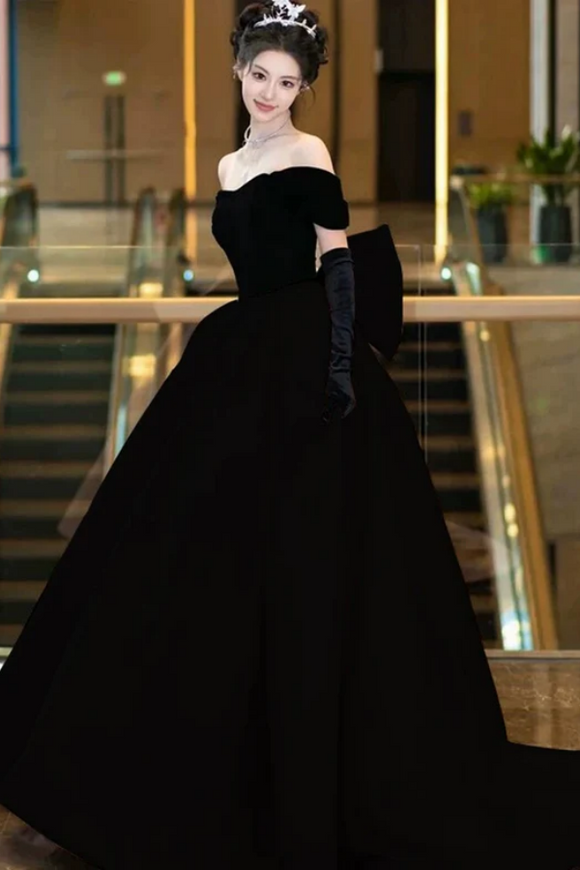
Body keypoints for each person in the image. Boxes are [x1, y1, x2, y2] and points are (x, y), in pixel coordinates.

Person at [0, 2, 578, 868]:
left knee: (304, 561)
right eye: (262, 76)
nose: (273, 93)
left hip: (306, 362)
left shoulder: (308, 153)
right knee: (190, 555)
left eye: (290, 83)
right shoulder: (232, 162)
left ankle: (303, 773)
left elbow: (337, 263)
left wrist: (340, 371)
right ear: (238, 69)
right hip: (237, 358)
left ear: (304, 88)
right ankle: (149, 771)